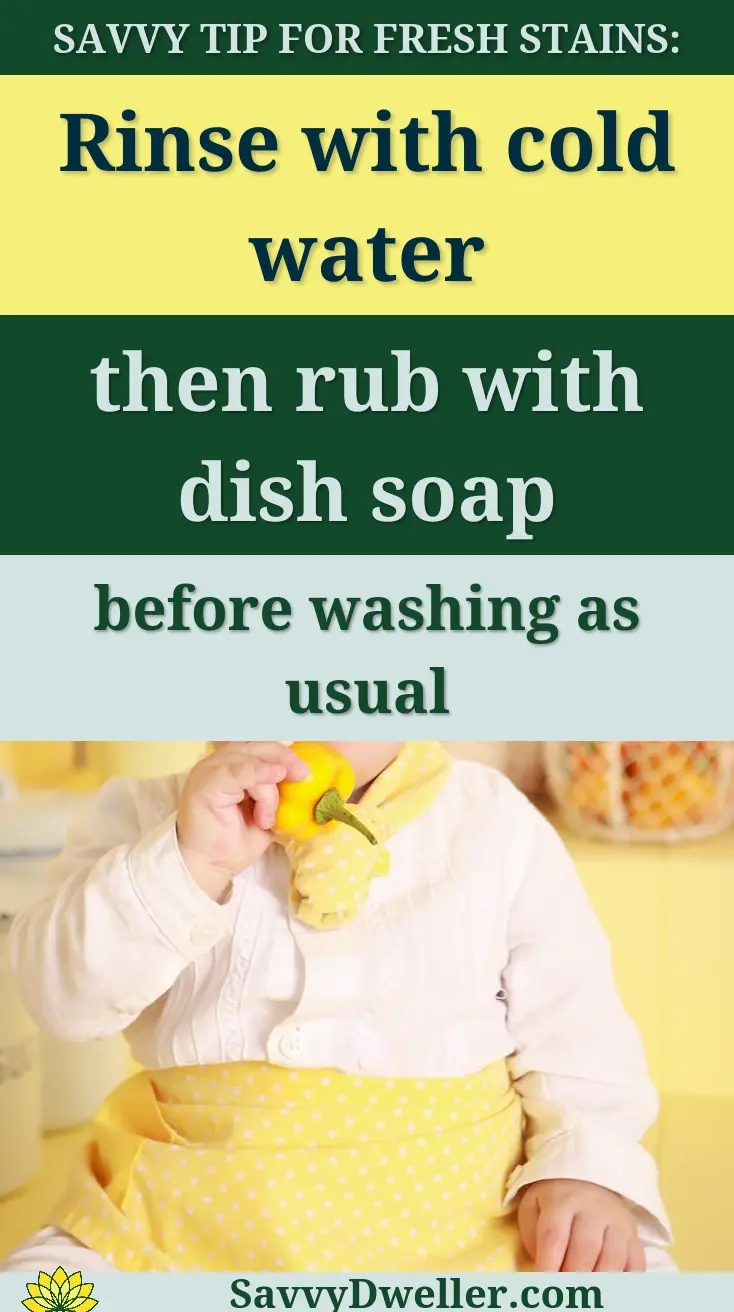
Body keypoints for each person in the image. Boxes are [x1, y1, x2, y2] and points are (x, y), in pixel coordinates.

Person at [2, 741, 673, 1274]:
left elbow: (577, 1024)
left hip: (462, 1213)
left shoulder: (493, 822)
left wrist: (583, 1169)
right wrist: (185, 862)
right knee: (44, 1288)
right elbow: (62, 1002)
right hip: (183, 1212)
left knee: (623, 1271)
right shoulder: (140, 816)